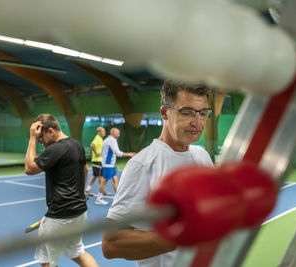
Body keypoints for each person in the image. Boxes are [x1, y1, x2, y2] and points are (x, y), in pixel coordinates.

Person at [101, 80, 213, 267]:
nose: (197, 121)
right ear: (164, 112)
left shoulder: (202, 156)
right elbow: (111, 244)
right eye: (187, 112)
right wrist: (183, 236)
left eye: (203, 113)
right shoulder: (142, 165)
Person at [25, 114, 98, 267]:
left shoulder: (56, 149)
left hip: (59, 215)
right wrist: (79, 193)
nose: (41, 142)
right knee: (78, 253)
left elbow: (30, 168)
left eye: (41, 138)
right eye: (37, 139)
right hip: (79, 213)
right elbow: (85, 169)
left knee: (47, 261)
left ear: (50, 131)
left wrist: (31, 138)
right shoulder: (76, 144)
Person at [95, 127, 135, 205]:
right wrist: (129, 154)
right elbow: (118, 153)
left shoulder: (108, 140)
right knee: (104, 181)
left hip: (109, 164)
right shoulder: (111, 140)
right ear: (113, 133)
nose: (119, 134)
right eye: (118, 133)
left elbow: (103, 152)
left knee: (115, 180)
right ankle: (98, 199)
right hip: (108, 165)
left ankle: (118, 198)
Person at [85, 127, 110, 196]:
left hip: (99, 161)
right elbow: (92, 145)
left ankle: (99, 190)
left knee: (98, 176)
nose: (104, 133)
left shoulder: (100, 139)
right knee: (98, 176)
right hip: (97, 161)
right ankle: (92, 190)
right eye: (103, 131)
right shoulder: (97, 138)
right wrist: (96, 153)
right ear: (99, 132)